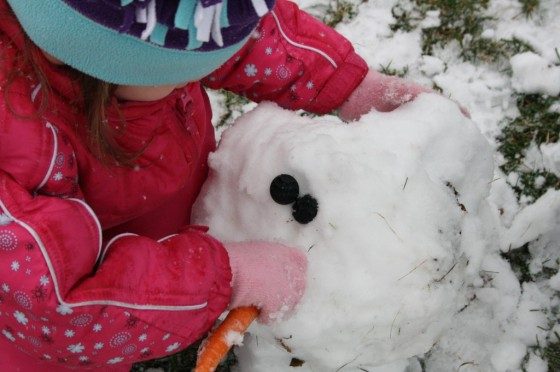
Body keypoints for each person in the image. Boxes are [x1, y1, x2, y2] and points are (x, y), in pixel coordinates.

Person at [0, 0, 437, 370]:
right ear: (95, 60)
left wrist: (346, 85)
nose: (197, 77)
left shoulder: (116, 38)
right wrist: (224, 278)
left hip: (146, 192)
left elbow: (242, 33)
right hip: (35, 310)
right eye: (179, 72)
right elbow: (58, 308)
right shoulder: (14, 147)